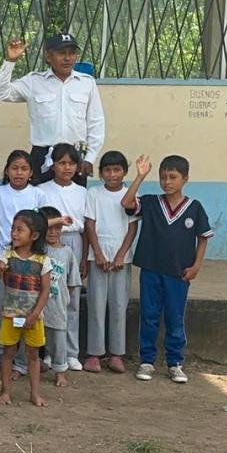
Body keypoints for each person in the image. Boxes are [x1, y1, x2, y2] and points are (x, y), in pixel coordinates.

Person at [122, 155, 212, 384]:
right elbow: (127, 203)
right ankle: (147, 361)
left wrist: (197, 265)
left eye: (173, 177)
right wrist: (140, 176)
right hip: (151, 270)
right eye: (163, 177)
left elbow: (203, 238)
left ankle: (175, 363)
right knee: (149, 316)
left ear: (185, 179)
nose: (167, 182)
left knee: (174, 318)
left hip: (179, 273)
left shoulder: (194, 208)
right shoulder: (151, 202)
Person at [0, 33, 105, 185]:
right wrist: (10, 61)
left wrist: (90, 158)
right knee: (40, 206)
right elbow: (0, 92)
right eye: (61, 53)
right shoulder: (34, 81)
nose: (67, 58)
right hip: (42, 156)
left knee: (74, 205)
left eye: (72, 53)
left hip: (74, 157)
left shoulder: (87, 83)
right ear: (48, 56)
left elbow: (96, 124)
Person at [0, 150, 48, 371]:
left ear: (31, 172)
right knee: (1, 309)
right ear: (7, 171)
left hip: (29, 261)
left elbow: (41, 227)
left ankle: (22, 360)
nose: (18, 173)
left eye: (23, 168)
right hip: (3, 260)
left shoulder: (38, 195)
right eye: (14, 168)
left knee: (26, 308)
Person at [84, 151, 138, 373]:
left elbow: (132, 228)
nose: (112, 174)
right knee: (96, 305)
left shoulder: (130, 195)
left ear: (124, 171)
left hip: (120, 259)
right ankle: (94, 354)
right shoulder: (93, 194)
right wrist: (97, 253)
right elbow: (90, 224)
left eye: (117, 170)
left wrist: (120, 256)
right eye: (107, 170)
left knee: (118, 305)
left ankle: (116, 354)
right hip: (98, 257)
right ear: (101, 173)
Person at [37, 143, 88, 371]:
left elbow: (86, 228)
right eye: (62, 162)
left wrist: (84, 256)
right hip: (49, 244)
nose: (67, 167)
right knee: (49, 299)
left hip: (74, 242)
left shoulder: (83, 192)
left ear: (77, 167)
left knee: (71, 300)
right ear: (53, 165)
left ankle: (71, 352)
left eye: (71, 163)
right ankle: (50, 352)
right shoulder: (43, 191)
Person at [0, 209, 52, 407]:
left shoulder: (43, 261)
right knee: (8, 352)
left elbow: (45, 291)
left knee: (33, 355)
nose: (14, 233)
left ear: (34, 236)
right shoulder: (7, 254)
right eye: (13, 229)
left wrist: (35, 314)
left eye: (20, 230)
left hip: (33, 317)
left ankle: (35, 393)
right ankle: (5, 391)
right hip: (11, 315)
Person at [38, 206, 81, 387]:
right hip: (34, 304)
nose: (53, 232)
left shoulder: (67, 252)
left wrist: (62, 298)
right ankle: (22, 366)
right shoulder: (36, 250)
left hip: (57, 304)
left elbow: (72, 282)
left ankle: (60, 371)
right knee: (26, 335)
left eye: (58, 228)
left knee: (58, 340)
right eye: (49, 228)